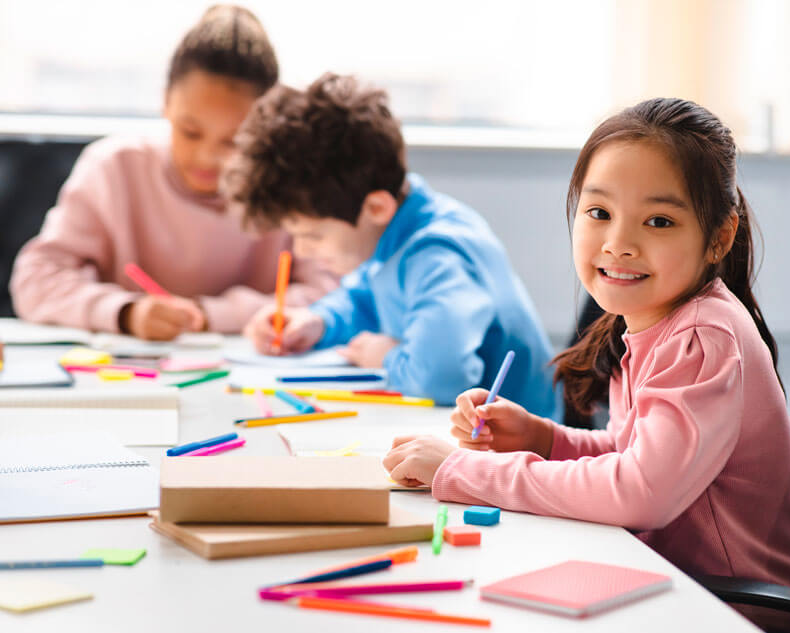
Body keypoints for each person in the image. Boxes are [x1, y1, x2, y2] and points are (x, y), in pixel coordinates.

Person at [382, 98, 790, 625]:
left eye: (658, 221)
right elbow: (633, 452)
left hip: (730, 609)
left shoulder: (703, 338)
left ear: (718, 238)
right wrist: (543, 438)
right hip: (678, 583)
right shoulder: (655, 322)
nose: (619, 244)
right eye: (599, 213)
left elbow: (641, 492)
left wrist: (464, 470)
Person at [230, 73, 559, 416]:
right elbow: (365, 300)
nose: (301, 251)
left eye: (313, 236)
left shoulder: (436, 254)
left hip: (520, 440)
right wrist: (318, 322)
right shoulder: (393, 229)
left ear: (376, 208)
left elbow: (443, 378)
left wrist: (385, 357)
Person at [10, 5, 337, 340]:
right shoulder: (114, 168)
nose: (208, 158)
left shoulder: (290, 185)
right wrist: (126, 312)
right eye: (190, 132)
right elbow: (35, 281)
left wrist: (213, 316)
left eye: (234, 141)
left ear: (265, 125)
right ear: (165, 102)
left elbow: (335, 295)